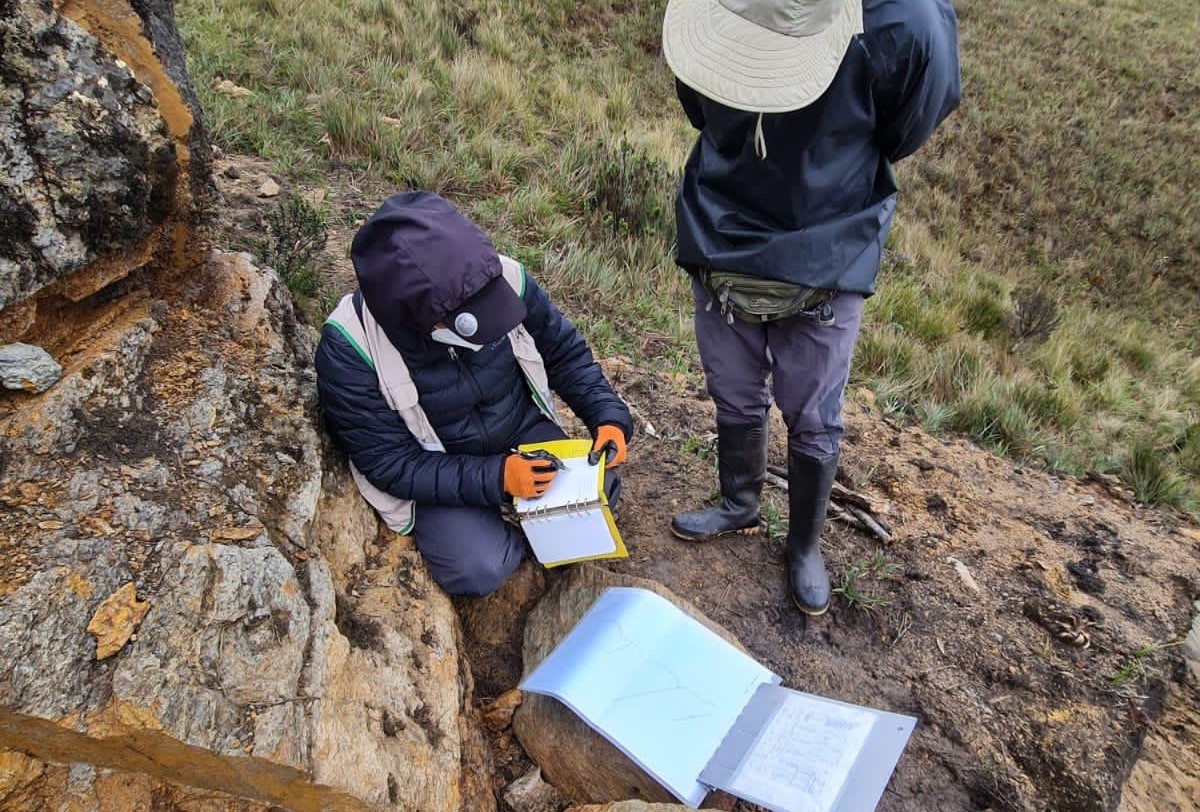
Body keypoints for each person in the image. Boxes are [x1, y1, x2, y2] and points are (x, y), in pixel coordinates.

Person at [662, 0, 960, 614]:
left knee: (813, 412)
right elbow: (701, 97)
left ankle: (804, 545)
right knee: (732, 385)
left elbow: (906, 126)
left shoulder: (905, 24)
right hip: (721, 230)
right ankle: (739, 502)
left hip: (828, 245)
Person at [315, 191, 632, 596]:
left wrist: (607, 417)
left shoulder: (503, 278)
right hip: (435, 464)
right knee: (479, 568)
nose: (490, 331)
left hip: (517, 429)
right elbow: (391, 464)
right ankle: (509, 527)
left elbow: (564, 353)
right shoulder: (350, 345)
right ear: (420, 319)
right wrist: (498, 478)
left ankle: (522, 518)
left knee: (601, 491)